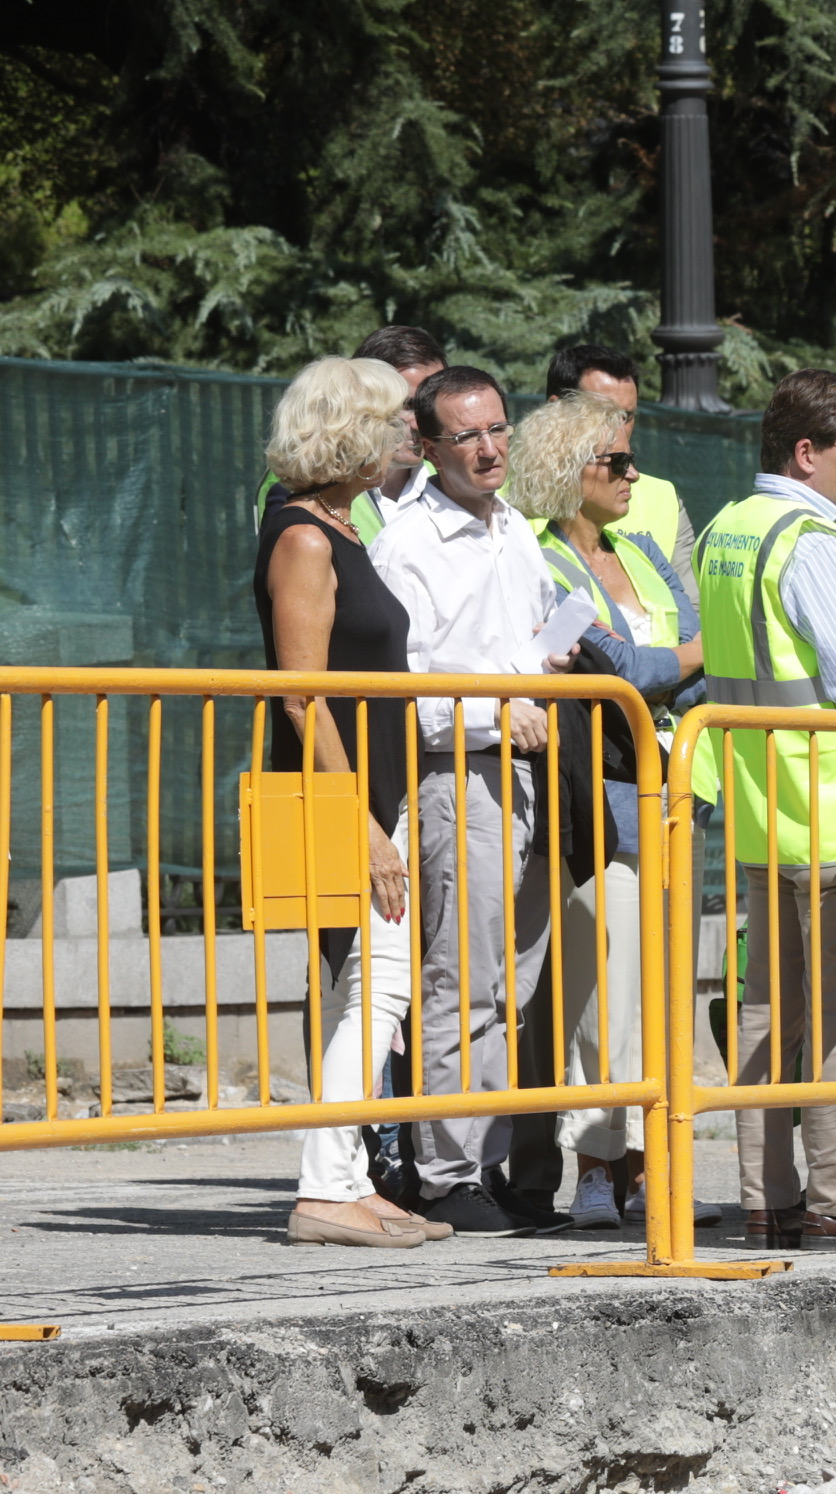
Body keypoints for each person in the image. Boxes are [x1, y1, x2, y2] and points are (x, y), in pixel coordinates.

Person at [692, 367, 836, 1251]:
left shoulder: (728, 527)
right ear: (806, 452)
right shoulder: (813, 541)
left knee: (765, 1013)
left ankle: (768, 1200)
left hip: (763, 813)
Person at [371, 363, 580, 1235]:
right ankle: (444, 1172)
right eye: (467, 436)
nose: (490, 449)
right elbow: (404, 689)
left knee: (508, 983)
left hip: (520, 771)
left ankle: (482, 1167)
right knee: (460, 980)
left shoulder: (514, 528)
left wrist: (549, 662)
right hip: (457, 774)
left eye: (498, 429)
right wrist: (501, 707)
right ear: (428, 446)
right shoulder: (407, 545)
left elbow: (520, 640)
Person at [254, 356, 445, 1248]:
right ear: (351, 431)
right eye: (395, 418)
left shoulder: (342, 524)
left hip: (370, 787)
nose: (410, 430)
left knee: (359, 986)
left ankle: (346, 1180)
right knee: (381, 983)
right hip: (341, 794)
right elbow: (302, 696)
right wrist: (362, 821)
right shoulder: (304, 537)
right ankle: (326, 1185)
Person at [504, 391, 703, 1231]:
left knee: (665, 995)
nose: (632, 474)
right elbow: (621, 668)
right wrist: (685, 658)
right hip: (601, 800)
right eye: (616, 461)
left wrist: (670, 664)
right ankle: (595, 1165)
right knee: (600, 993)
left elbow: (670, 663)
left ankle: (656, 1166)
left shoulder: (643, 549)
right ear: (567, 470)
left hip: (674, 795)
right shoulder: (540, 558)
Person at [257, 324, 441, 539]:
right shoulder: (299, 481)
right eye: (406, 405)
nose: (421, 423)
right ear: (359, 400)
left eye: (430, 407)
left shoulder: (455, 477)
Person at [544, 343, 699, 586]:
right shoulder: (500, 500)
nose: (618, 428)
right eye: (603, 415)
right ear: (556, 411)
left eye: (626, 417)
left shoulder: (662, 499)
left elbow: (688, 603)